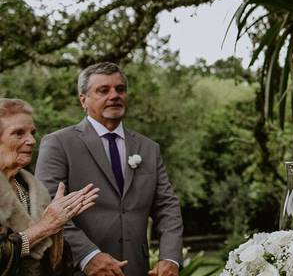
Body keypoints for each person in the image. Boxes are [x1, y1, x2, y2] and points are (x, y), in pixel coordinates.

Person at [35, 64, 184, 276]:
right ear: (83, 100)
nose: (114, 95)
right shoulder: (58, 144)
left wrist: (170, 258)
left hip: (137, 269)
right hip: (79, 270)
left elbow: (167, 207)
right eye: (103, 90)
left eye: (120, 89)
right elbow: (47, 207)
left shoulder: (149, 148)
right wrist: (88, 256)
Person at [0, 98, 98, 276]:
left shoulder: (28, 188)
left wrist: (57, 225)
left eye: (32, 133)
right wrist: (46, 226)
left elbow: (49, 264)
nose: (31, 141)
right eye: (19, 133)